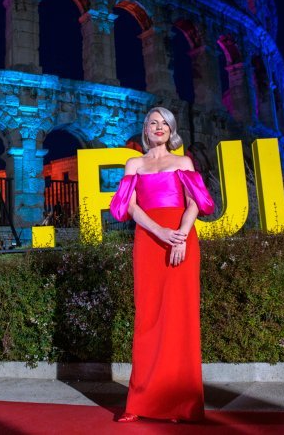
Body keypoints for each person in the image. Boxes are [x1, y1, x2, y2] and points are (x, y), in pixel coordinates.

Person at [109, 106, 215, 424]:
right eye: (153, 123)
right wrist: (160, 231)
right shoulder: (135, 164)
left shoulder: (183, 162)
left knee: (180, 318)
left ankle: (180, 404)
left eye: (164, 123)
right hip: (149, 239)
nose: (159, 127)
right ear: (145, 129)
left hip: (181, 238)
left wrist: (180, 236)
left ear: (171, 130)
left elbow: (195, 203)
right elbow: (129, 207)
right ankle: (141, 401)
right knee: (148, 317)